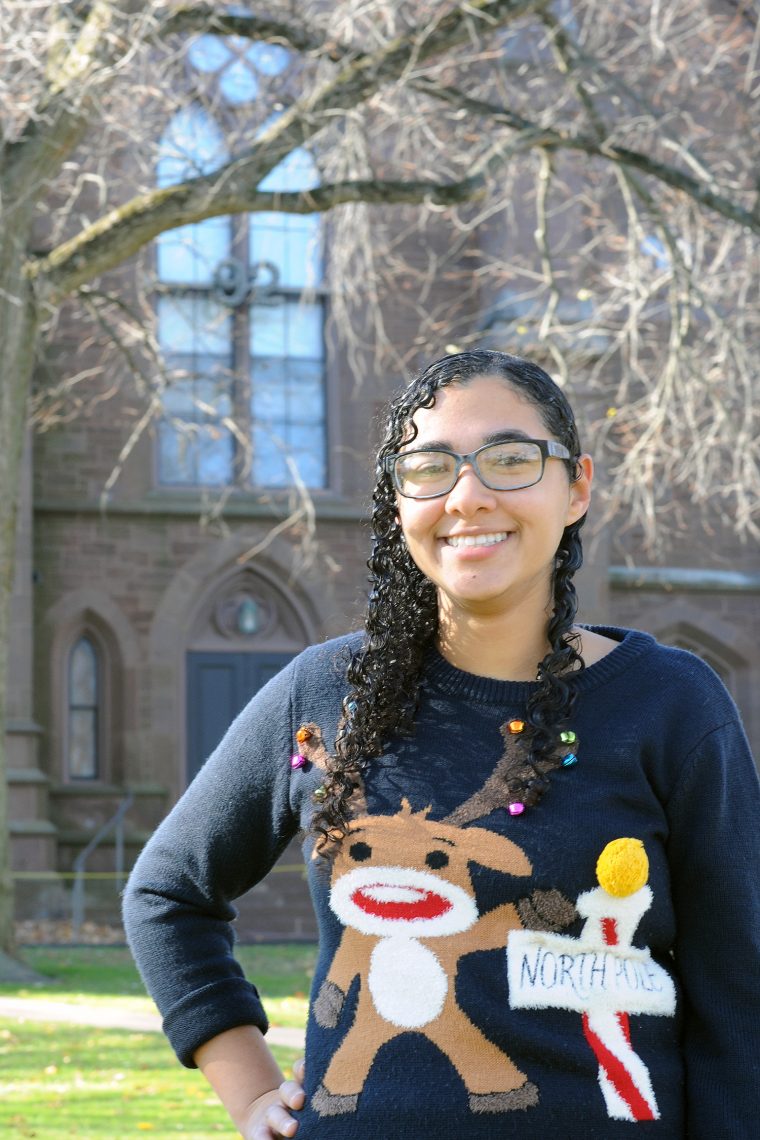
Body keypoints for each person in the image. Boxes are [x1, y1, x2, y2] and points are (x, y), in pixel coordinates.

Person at [123, 350, 760, 1140]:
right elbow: (167, 894)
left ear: (577, 488)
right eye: (430, 466)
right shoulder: (322, 695)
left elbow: (742, 994)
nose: (468, 496)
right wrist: (248, 1087)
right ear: (398, 501)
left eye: (509, 460)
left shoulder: (670, 702)